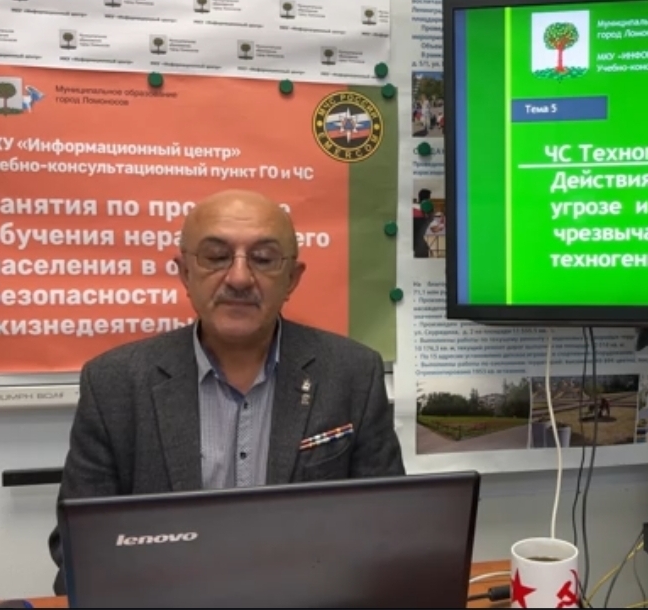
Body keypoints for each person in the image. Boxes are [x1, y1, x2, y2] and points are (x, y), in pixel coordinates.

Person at [47, 189, 404, 594]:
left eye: (263, 259)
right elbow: (78, 547)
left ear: (292, 278)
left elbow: (386, 529)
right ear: (185, 273)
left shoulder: (352, 373)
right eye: (216, 256)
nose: (239, 278)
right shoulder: (114, 382)